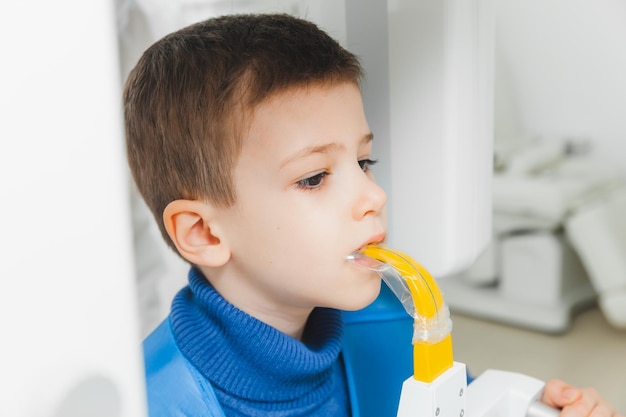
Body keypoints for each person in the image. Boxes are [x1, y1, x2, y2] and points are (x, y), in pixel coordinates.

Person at [123, 13, 623, 417]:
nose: (373, 195)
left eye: (364, 162)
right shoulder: (150, 401)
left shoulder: (390, 319)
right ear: (204, 232)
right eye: (314, 177)